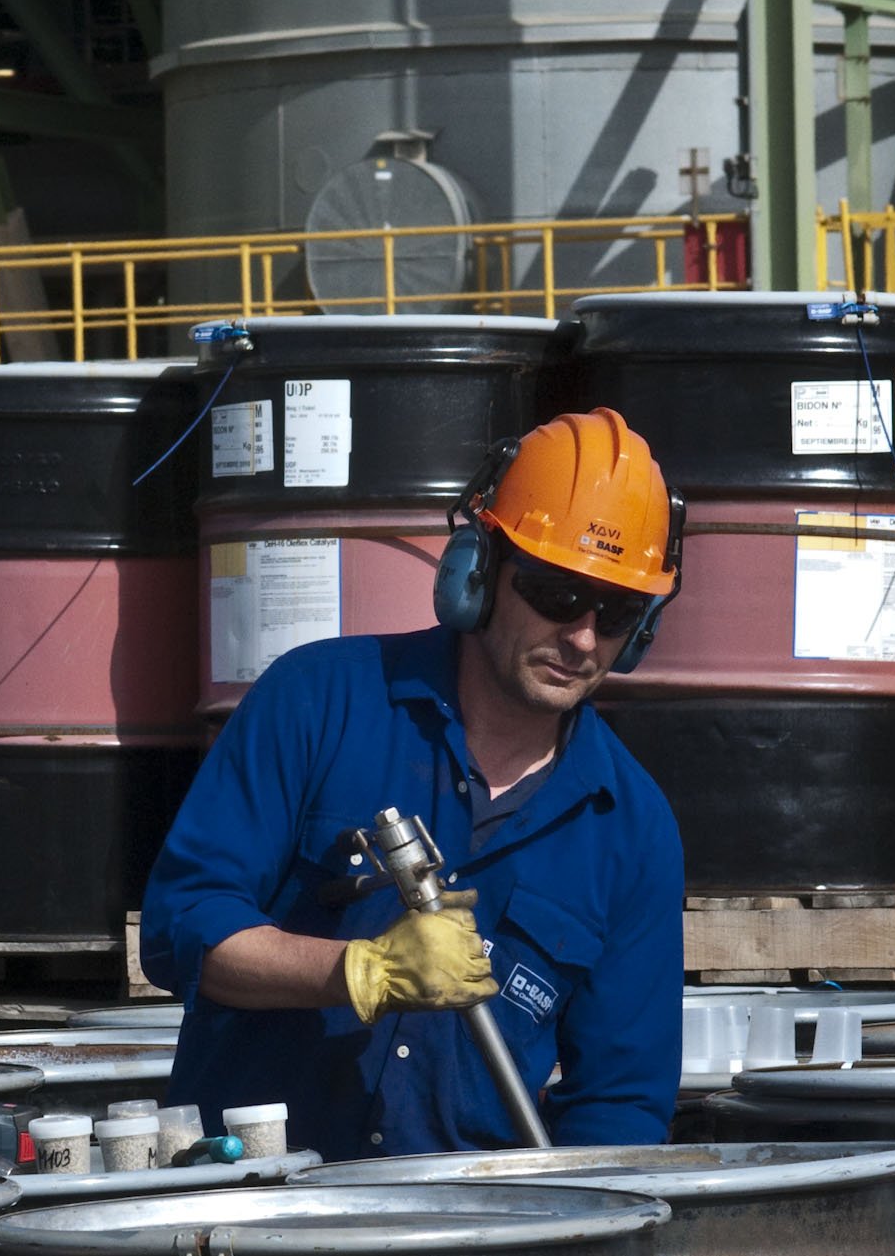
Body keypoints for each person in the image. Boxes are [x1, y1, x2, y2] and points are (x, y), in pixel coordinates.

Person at [140, 407, 686, 1158]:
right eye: (555, 595)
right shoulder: (318, 702)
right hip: (256, 1214)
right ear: (479, 571)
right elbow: (182, 928)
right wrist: (357, 971)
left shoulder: (631, 827)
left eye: (619, 611)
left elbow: (620, 1104)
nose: (584, 636)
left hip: (466, 1237)